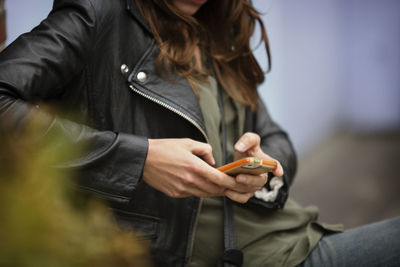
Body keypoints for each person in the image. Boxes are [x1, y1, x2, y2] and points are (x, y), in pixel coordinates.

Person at [0, 0, 399, 266]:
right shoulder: (98, 13)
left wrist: (263, 172)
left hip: (294, 236)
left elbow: (273, 135)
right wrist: (139, 160)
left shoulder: (218, 27)